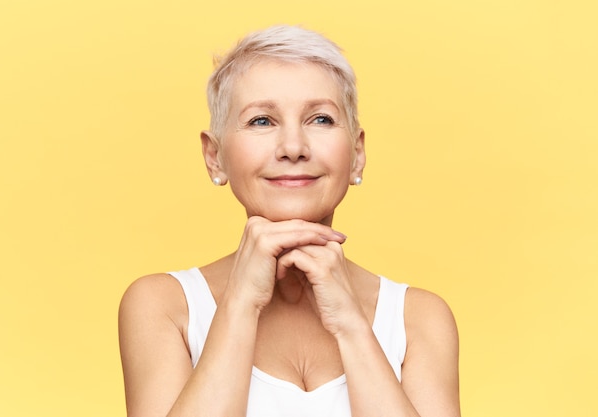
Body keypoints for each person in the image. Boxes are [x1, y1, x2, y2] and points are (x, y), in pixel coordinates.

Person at [119, 25, 460, 417]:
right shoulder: (163, 306)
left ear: (357, 154)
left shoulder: (419, 318)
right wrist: (241, 304)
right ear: (214, 157)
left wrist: (351, 325)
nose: (294, 148)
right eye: (262, 121)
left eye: (320, 119)